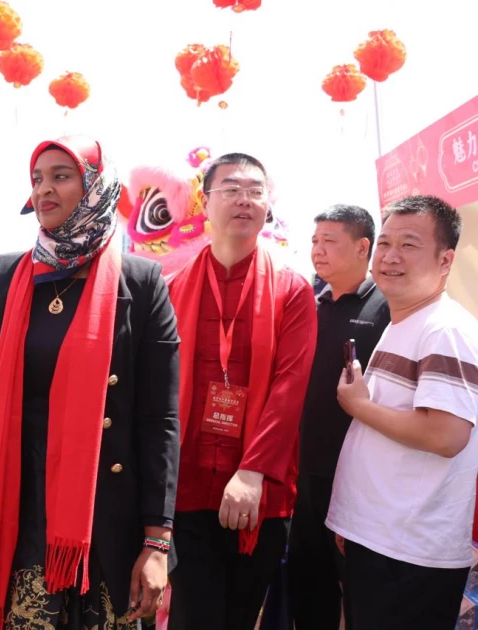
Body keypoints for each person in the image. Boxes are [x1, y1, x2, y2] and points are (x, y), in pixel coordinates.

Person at [0, 136, 180, 629]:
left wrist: (157, 541)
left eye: (61, 176)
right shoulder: (10, 275)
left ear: (96, 187)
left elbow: (161, 421)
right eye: (37, 178)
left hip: (106, 516)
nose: (44, 190)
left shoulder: (141, 282)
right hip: (18, 506)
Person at [165, 153, 317, 630]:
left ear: (268, 205)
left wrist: (252, 472)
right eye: (230, 188)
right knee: (194, 613)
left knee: (237, 616)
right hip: (186, 486)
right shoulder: (171, 288)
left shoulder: (292, 290)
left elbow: (290, 388)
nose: (244, 199)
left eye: (255, 190)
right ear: (204, 202)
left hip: (260, 491)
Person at [327, 195, 478, 630]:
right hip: (383, 544)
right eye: (385, 243)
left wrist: (360, 406)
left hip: (407, 556)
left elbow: (446, 435)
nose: (391, 257)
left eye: (409, 245)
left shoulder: (444, 329)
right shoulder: (408, 323)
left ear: (446, 259)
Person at [286, 204, 390, 630]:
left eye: (330, 241)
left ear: (363, 246)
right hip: (303, 476)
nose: (318, 251)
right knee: (309, 587)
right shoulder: (308, 304)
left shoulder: (385, 308)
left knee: (362, 593)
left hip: (357, 478)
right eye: (314, 241)